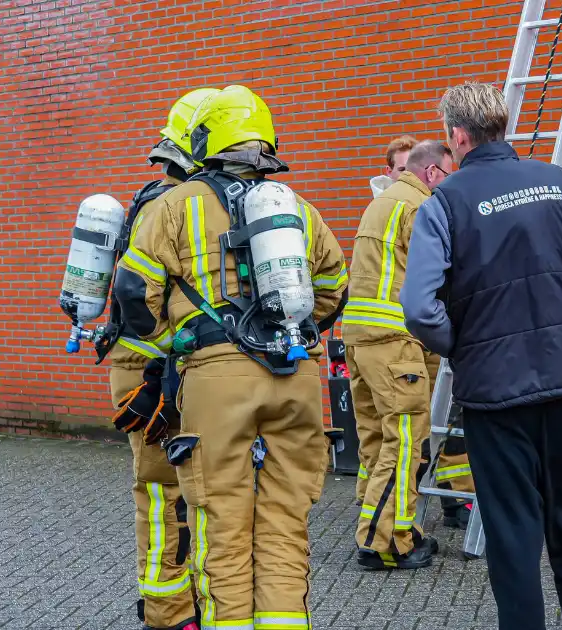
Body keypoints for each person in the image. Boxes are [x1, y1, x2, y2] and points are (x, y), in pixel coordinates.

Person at [400, 81, 562, 630]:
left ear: (457, 136)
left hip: (494, 400)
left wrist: (464, 348)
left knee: (512, 534)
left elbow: (420, 310)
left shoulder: (444, 204)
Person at [115, 84, 350, 630]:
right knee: (285, 524)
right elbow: (336, 285)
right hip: (296, 378)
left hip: (217, 384)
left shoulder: (175, 204)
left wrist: (171, 341)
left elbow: (133, 291)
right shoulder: (297, 208)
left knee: (222, 523)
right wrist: (298, 326)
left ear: (205, 141)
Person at [103, 87, 218, 630]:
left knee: (186, 485)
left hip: (165, 367)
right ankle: (168, 613)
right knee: (162, 489)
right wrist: (164, 367)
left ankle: (181, 599)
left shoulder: (177, 199)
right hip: (151, 369)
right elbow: (141, 300)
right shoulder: (167, 204)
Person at [343, 139, 464, 569]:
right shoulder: (420, 206)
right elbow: (443, 273)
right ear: (432, 173)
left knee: (376, 441)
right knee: (406, 442)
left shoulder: (385, 201)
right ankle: (382, 545)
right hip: (395, 343)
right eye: (451, 176)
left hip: (361, 340)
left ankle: (396, 526)